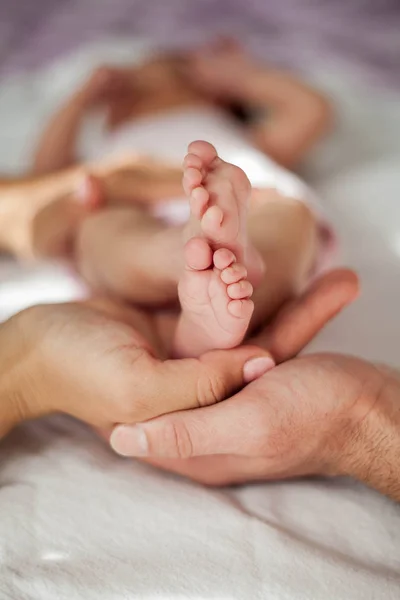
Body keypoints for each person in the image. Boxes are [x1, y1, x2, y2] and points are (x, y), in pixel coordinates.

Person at [32, 39, 335, 333]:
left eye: (171, 79)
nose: (140, 92)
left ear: (214, 96)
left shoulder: (235, 134)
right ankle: (179, 258)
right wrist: (80, 101)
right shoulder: (109, 150)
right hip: (134, 207)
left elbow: (310, 111)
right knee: (102, 226)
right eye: (130, 91)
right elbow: (45, 173)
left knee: (287, 212)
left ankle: (224, 300)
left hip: (246, 207)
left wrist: (238, 75)